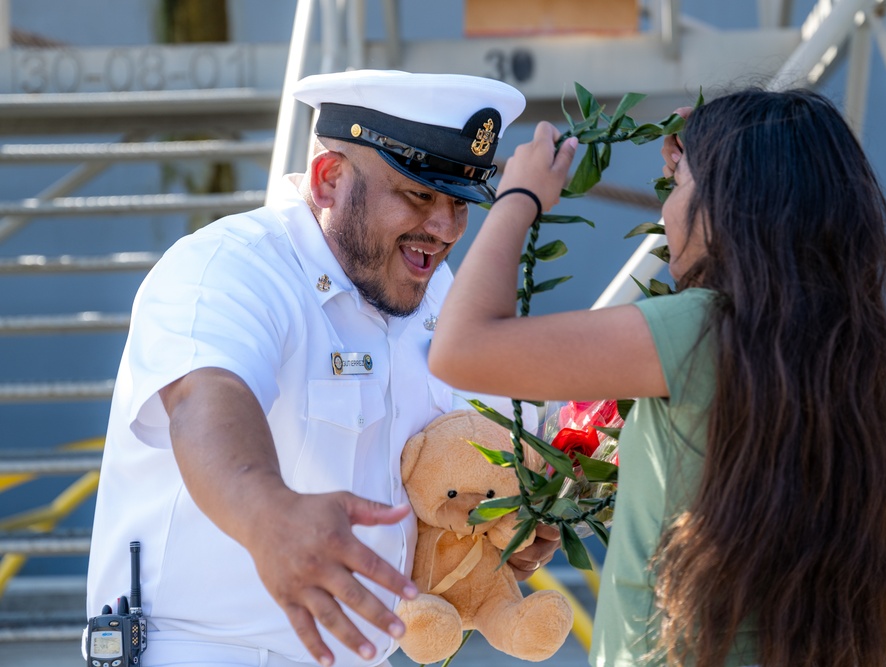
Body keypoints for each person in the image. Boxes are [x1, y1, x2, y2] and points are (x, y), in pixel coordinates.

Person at [86, 69, 559, 667]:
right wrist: (267, 512)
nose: (443, 229)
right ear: (330, 178)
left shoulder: (430, 287)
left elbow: (450, 461)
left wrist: (500, 530)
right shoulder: (229, 266)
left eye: (459, 202)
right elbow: (206, 399)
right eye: (419, 194)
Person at [429, 88, 886, 667]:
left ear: (732, 207)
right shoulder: (840, 347)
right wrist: (708, 147)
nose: (665, 211)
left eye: (679, 187)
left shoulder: (698, 329)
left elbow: (461, 349)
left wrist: (519, 195)